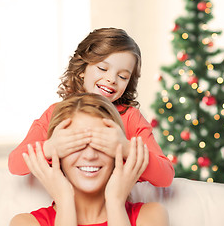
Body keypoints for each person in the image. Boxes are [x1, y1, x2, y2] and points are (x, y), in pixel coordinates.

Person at [8, 27, 174, 187]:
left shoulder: (130, 117)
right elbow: (15, 164)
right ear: (82, 69)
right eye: (102, 68)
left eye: (123, 76)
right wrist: (50, 148)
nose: (111, 79)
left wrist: (126, 149)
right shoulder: (56, 113)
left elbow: (166, 176)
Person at [9, 93, 169, 226]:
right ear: (56, 154)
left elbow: (165, 174)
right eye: (76, 144)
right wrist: (65, 203)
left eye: (101, 143)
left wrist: (115, 203)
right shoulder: (25, 223)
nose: (90, 155)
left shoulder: (151, 216)